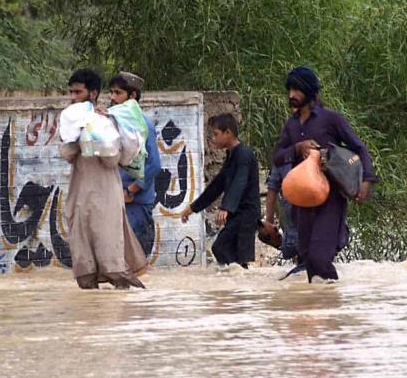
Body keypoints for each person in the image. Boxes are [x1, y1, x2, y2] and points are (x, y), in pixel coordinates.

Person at [272, 67, 378, 284]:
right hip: (301, 202)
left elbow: (360, 148)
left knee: (320, 258)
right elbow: (277, 157)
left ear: (309, 92)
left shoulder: (331, 119)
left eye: (297, 90)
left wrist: (366, 181)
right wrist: (297, 148)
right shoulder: (291, 125)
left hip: (330, 199)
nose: (291, 95)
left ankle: (333, 310)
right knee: (309, 259)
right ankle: (323, 313)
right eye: (289, 89)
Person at [60, 68, 148, 289]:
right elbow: (68, 154)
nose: (73, 98)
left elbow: (113, 159)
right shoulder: (71, 121)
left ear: (93, 93)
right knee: (84, 268)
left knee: (113, 263)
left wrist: (98, 131)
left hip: (105, 198)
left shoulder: (110, 120)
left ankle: (128, 310)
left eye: (78, 92)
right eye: (71, 92)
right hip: (79, 198)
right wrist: (78, 131)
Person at [180, 113, 260, 269]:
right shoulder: (232, 155)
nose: (213, 139)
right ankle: (235, 284)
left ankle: (242, 285)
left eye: (216, 134)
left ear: (228, 133)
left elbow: (240, 181)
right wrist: (193, 207)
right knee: (226, 251)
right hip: (236, 213)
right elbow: (217, 185)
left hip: (246, 214)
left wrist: (226, 207)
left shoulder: (244, 154)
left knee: (225, 249)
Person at [107, 71, 161, 257]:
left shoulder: (143, 124)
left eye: (117, 93)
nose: (112, 97)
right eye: (111, 92)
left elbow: (154, 165)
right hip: (116, 199)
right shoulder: (113, 121)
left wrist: (131, 190)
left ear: (133, 96)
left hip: (136, 203)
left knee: (135, 260)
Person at [260, 162, 303, 277]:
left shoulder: (282, 157)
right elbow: (272, 190)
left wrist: (269, 221)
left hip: (297, 225)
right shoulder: (283, 158)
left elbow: (272, 190)